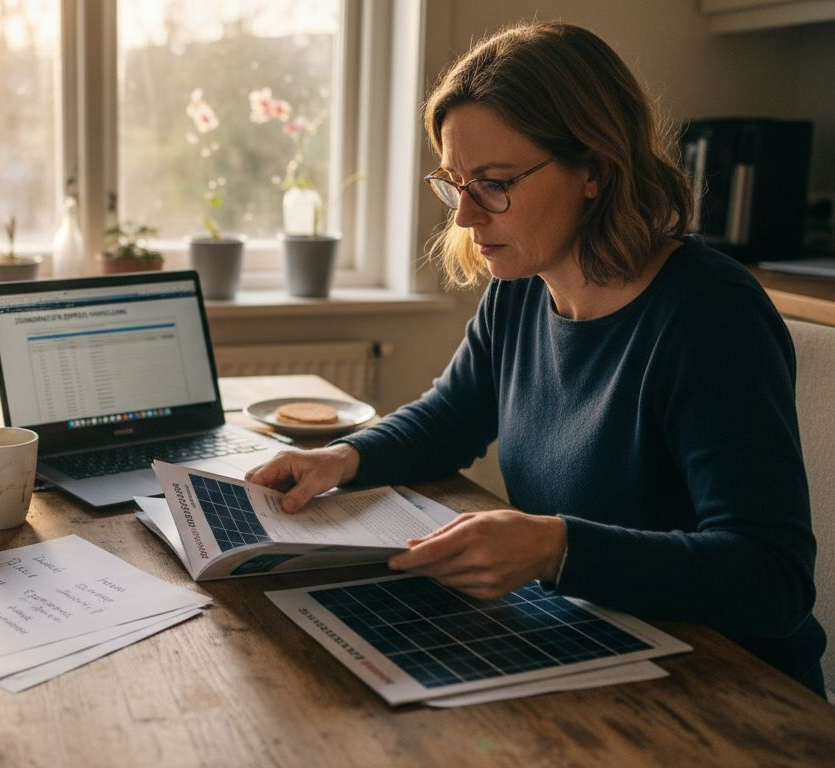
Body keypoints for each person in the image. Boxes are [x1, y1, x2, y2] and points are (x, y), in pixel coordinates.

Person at [246, 21, 826, 696]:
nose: (464, 216)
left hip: (729, 690)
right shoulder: (524, 287)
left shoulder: (710, 316)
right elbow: (450, 418)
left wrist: (558, 548)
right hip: (596, 645)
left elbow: (771, 577)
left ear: (596, 170)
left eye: (493, 183)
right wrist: (343, 458)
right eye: (454, 182)